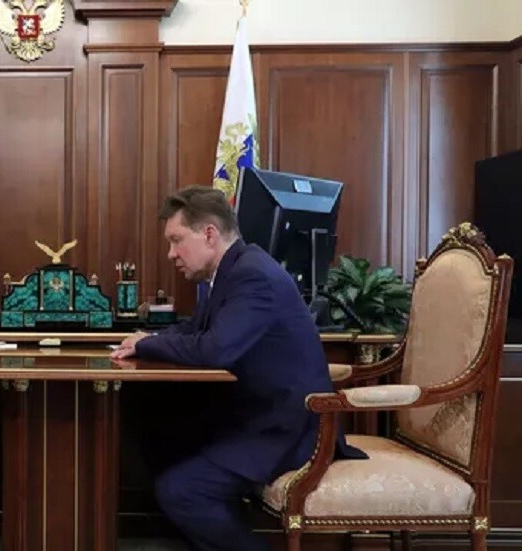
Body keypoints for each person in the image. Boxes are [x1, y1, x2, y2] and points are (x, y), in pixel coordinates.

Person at [111, 185, 365, 551]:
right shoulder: (232, 270)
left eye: (176, 240)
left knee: (182, 490)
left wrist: (147, 345)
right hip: (256, 413)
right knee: (157, 430)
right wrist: (146, 338)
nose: (171, 254)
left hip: (286, 428)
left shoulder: (253, 276)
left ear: (209, 234)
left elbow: (217, 349)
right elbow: (196, 329)